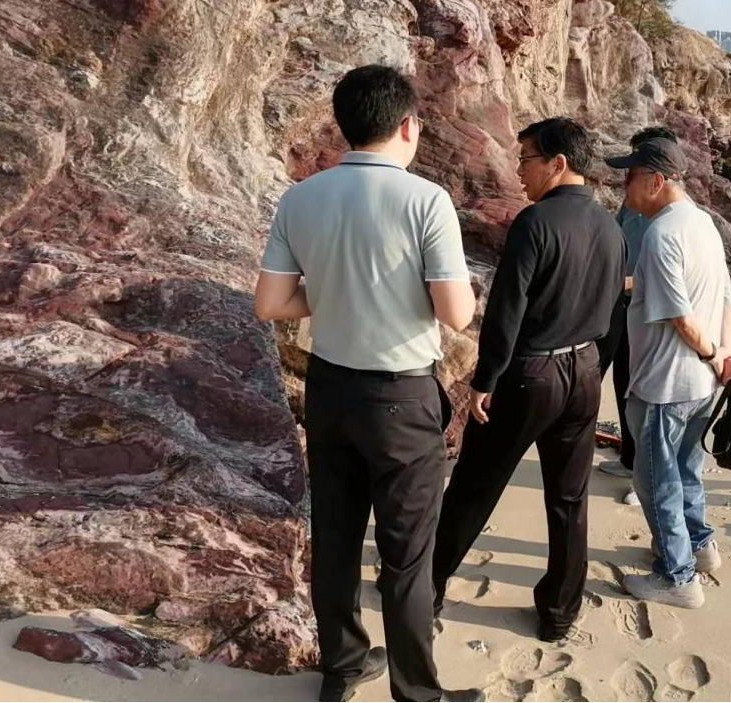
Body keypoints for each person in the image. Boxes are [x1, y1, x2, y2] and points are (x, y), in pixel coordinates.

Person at [255, 65, 483, 702]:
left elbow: (270, 303)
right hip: (401, 396)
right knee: (407, 553)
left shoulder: (301, 197)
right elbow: (456, 313)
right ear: (407, 126)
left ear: (344, 125)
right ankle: (417, 693)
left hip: (330, 389)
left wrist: (333, 291)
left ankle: (343, 668)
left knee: (335, 535)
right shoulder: (426, 200)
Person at [431, 117, 625, 642]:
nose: (519, 171)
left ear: (558, 163)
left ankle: (428, 585)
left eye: (526, 159)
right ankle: (559, 611)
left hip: (532, 373)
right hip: (585, 370)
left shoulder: (535, 222)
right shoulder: (610, 226)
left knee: (476, 482)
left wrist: (485, 379)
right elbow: (614, 308)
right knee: (569, 498)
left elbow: (506, 311)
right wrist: (595, 368)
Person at [605, 137, 731, 609]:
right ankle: (700, 546)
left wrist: (713, 355)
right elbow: (726, 299)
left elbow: (681, 318)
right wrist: (725, 356)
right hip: (701, 383)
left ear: (656, 181)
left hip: (666, 382)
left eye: (629, 177)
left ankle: (677, 577)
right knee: (686, 470)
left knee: (655, 481)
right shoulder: (703, 223)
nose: (623, 186)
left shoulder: (662, 234)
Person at [596, 127, 682, 508]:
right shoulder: (633, 202)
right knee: (619, 380)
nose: (627, 178)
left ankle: (643, 477)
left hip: (648, 311)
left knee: (642, 391)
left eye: (634, 169)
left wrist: (624, 282)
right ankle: (630, 458)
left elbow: (663, 278)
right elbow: (616, 238)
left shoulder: (668, 216)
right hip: (619, 303)